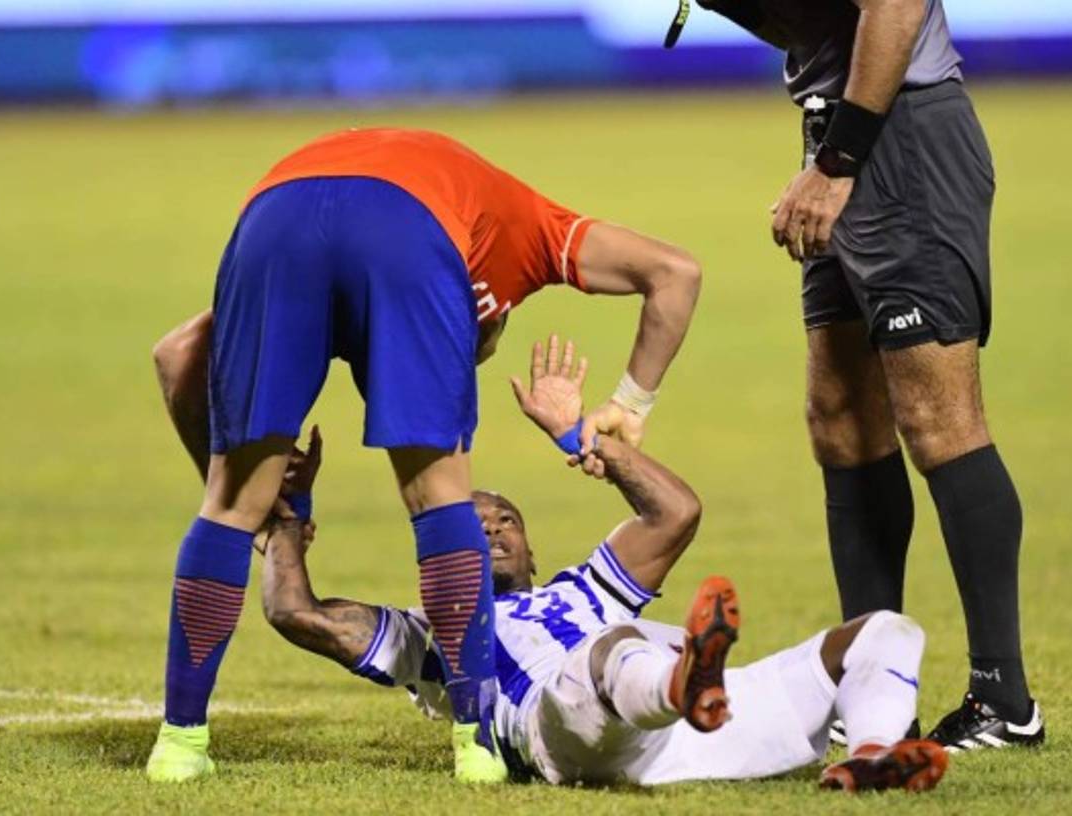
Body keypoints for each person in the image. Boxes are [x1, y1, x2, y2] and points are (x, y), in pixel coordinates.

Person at [145, 128, 703, 783]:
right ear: (486, 322)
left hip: (274, 209)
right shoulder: (535, 233)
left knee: (226, 506)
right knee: (440, 499)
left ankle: (178, 744)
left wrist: (249, 506)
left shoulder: (470, 222)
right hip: (410, 224)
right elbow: (676, 270)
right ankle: (476, 745)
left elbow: (178, 355)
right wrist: (628, 407)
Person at [254, 336, 949, 793]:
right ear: (438, 551)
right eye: (470, 519)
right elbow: (295, 612)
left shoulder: (585, 589)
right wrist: (288, 516)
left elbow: (675, 513)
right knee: (611, 648)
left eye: (506, 520)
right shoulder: (431, 638)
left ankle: (872, 756)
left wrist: (583, 437)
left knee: (885, 630)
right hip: (565, 733)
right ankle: (684, 680)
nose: (492, 525)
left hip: (689, 737)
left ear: (531, 550)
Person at [683, 0, 1043, 749]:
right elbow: (814, 27)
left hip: (897, 138)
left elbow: (897, 5)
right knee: (841, 418)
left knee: (937, 420)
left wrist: (839, 161)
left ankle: (1004, 700)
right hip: (840, 130)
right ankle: (873, 689)